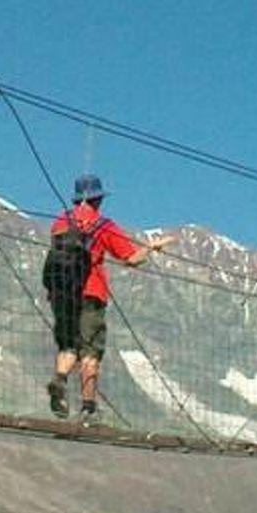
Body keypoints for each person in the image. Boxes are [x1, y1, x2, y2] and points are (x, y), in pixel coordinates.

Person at [42, 173, 174, 420]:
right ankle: (88, 407)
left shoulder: (60, 223)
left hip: (61, 295)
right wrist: (153, 247)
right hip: (91, 293)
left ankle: (59, 380)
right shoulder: (103, 225)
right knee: (90, 352)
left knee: (69, 345)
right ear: (98, 199)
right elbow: (131, 258)